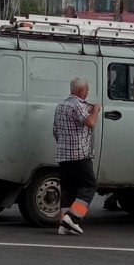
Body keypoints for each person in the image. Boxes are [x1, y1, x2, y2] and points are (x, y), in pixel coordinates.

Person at [53, 77, 101, 235]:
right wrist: (95, 110)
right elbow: (90, 123)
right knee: (89, 186)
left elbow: (55, 132)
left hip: (63, 155)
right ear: (81, 91)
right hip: (80, 155)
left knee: (69, 189)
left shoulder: (61, 105)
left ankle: (63, 225)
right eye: (87, 90)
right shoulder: (78, 105)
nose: (88, 92)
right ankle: (73, 218)